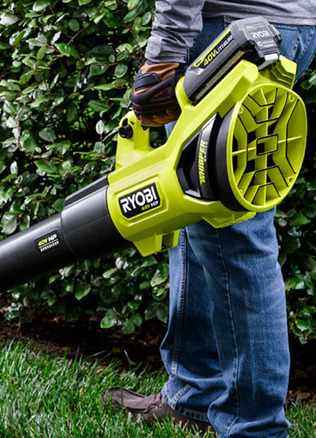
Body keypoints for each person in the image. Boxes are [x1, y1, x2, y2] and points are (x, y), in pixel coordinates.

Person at [106, 2, 316, 437]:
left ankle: (255, 427)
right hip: (288, 25)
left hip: (230, 31)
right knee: (190, 204)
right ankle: (194, 396)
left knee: (233, 233)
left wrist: (164, 54)